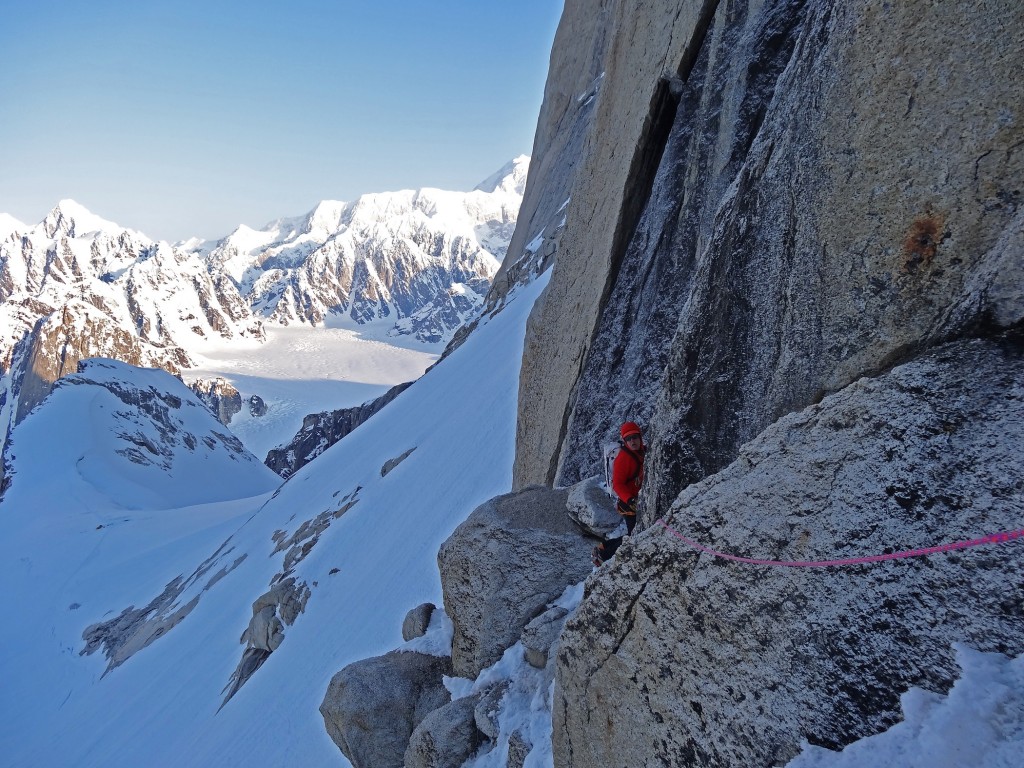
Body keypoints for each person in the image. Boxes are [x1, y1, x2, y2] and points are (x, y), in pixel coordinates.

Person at [593, 421, 645, 566]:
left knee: (633, 534)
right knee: (635, 536)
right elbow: (618, 484)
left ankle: (604, 547)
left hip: (636, 500)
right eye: (628, 439)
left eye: (634, 437)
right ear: (624, 441)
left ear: (640, 437)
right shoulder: (624, 459)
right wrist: (629, 500)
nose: (632, 441)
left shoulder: (643, 452)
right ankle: (604, 555)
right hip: (629, 505)